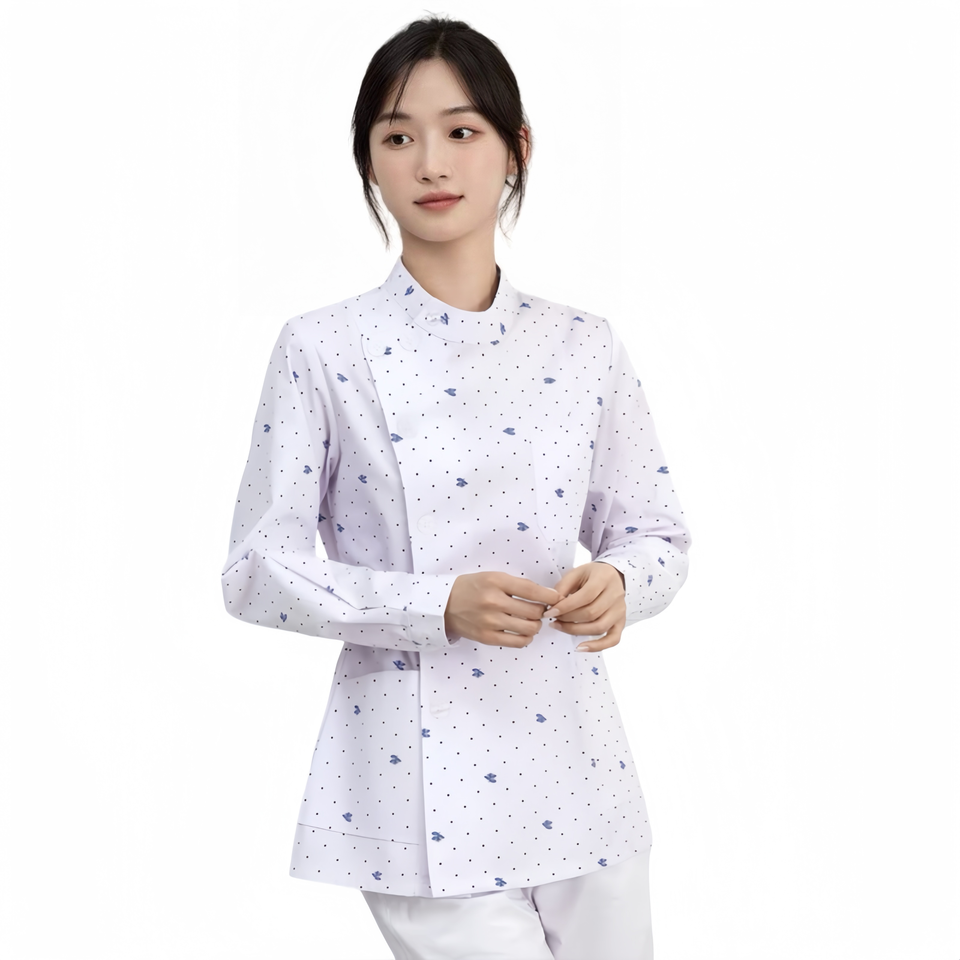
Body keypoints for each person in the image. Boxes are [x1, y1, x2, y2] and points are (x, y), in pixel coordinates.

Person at [221, 14, 691, 960]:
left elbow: (657, 534)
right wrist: (435, 605)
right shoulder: (325, 347)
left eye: (461, 130)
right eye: (397, 137)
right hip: (414, 780)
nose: (431, 162)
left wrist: (623, 582)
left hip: (579, 767)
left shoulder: (583, 344)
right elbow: (256, 572)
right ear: (369, 162)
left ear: (516, 149)